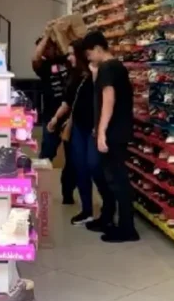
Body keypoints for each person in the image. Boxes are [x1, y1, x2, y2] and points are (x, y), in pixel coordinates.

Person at [46, 38, 114, 225]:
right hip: (78, 127)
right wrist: (55, 119)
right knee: (80, 167)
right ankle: (87, 210)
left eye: (71, 54)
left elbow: (105, 100)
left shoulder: (97, 73)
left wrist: (100, 128)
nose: (69, 58)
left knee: (94, 166)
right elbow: (68, 101)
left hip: (94, 128)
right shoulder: (74, 75)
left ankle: (109, 205)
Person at [83, 30, 139, 243]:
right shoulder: (115, 67)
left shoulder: (108, 67)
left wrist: (102, 131)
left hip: (113, 132)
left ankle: (127, 229)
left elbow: (108, 99)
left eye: (89, 53)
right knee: (114, 177)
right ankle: (116, 221)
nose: (89, 58)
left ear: (98, 48)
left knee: (117, 179)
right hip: (118, 130)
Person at [32, 27, 75, 204]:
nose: (46, 51)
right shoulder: (43, 67)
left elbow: (67, 50)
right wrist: (47, 36)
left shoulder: (67, 60)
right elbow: (36, 57)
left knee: (72, 159)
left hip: (71, 117)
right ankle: (38, 190)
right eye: (44, 49)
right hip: (51, 117)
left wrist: (55, 35)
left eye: (49, 47)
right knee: (46, 154)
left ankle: (68, 194)